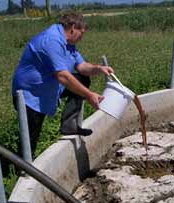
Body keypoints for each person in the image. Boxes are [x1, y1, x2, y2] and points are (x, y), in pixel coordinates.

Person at [12, 12, 114, 159]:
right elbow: (63, 76)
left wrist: (98, 68)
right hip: (31, 95)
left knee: (82, 79)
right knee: (29, 142)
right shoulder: (52, 40)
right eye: (81, 33)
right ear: (73, 28)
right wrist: (89, 95)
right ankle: (22, 171)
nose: (82, 37)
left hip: (49, 87)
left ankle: (69, 125)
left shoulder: (69, 44)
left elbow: (82, 66)